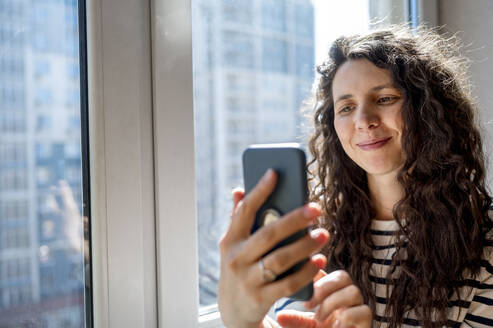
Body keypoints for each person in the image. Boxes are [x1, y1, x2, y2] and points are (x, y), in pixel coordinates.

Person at [217, 25, 493, 328]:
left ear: (429, 110)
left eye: (385, 98)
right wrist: (242, 322)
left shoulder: (485, 240)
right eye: (346, 107)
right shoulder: (312, 233)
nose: (364, 121)